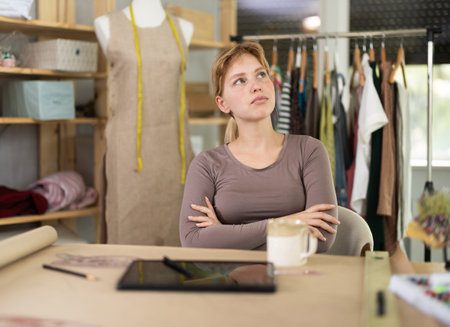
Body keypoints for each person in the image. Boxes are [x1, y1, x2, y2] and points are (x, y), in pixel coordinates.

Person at [179, 42, 339, 252]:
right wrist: (289, 222)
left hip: (295, 277)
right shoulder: (206, 164)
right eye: (240, 81)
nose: (256, 85)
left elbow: (321, 238)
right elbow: (193, 241)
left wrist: (225, 235)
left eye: (261, 74)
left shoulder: (309, 151)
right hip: (229, 281)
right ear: (222, 103)